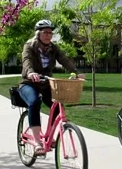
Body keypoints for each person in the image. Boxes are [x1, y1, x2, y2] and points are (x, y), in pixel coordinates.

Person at [19, 19, 85, 156]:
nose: (48, 35)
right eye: (45, 32)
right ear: (38, 34)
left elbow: (64, 59)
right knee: (34, 102)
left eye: (50, 32)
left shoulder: (53, 48)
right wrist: (30, 72)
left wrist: (77, 72)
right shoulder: (29, 45)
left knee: (58, 105)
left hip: (46, 83)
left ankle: (50, 136)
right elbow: (26, 61)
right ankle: (37, 143)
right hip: (28, 83)